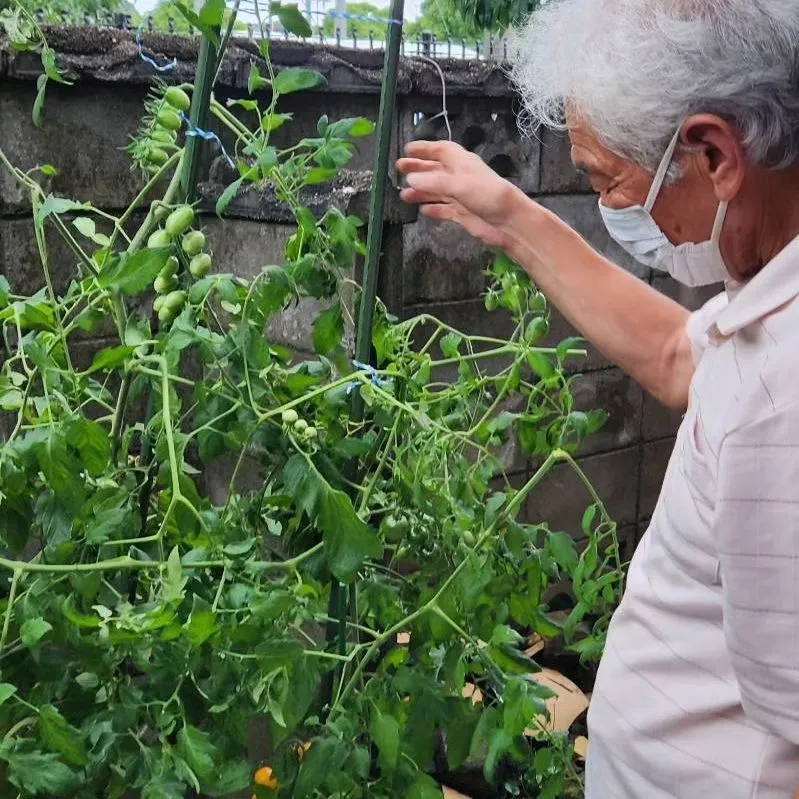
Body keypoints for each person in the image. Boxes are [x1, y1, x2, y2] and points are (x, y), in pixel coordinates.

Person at [397, 0, 799, 796]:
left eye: (609, 180)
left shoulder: (783, 405)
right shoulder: (769, 292)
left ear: (712, 153)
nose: (615, 209)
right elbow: (680, 355)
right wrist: (511, 218)